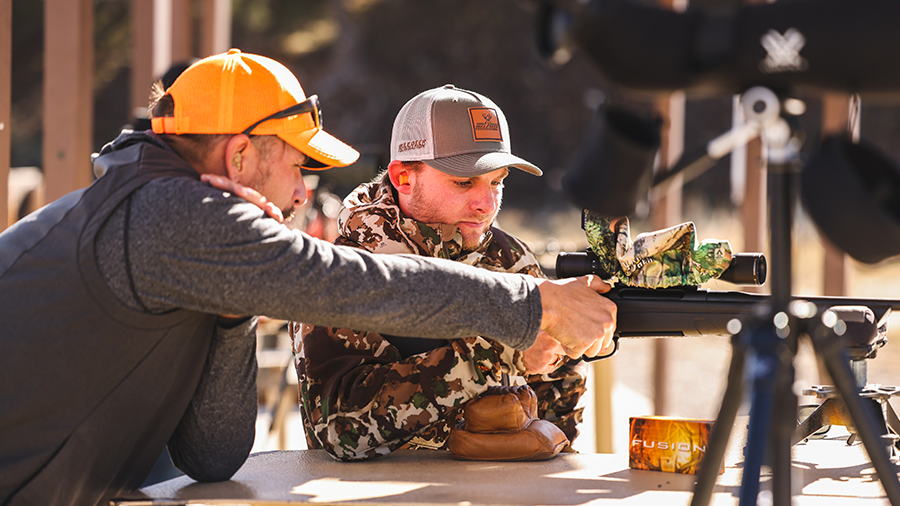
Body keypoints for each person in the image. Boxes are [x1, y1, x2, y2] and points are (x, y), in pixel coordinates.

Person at [0, 49, 615, 506]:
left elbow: (212, 456)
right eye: (296, 164)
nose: (301, 193)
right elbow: (360, 284)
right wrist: (532, 306)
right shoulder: (171, 212)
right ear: (240, 156)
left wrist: (234, 314)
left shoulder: (170, 221)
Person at [293, 85, 590, 461]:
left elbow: (559, 412)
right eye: (463, 182)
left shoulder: (508, 256)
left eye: (497, 182)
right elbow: (338, 429)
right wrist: (499, 356)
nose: (486, 204)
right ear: (404, 178)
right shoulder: (345, 269)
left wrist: (570, 344)